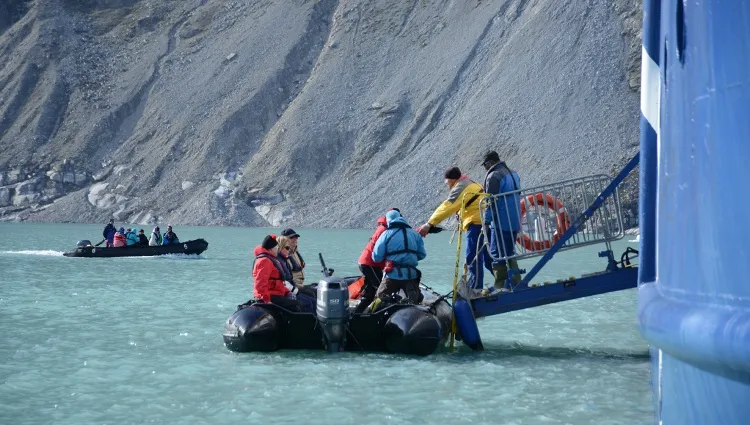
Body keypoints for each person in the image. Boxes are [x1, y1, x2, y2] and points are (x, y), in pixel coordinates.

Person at [417, 167, 493, 290]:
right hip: (487, 223)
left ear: (453, 180)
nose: (447, 186)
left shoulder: (460, 186)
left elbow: (447, 206)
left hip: (475, 224)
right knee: (489, 256)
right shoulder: (471, 182)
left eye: (448, 182)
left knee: (472, 257)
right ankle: (507, 281)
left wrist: (429, 224)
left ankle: (475, 288)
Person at [369, 210, 427, 310]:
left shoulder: (386, 234)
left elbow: (376, 257)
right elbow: (422, 255)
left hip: (391, 275)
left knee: (378, 300)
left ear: (388, 221)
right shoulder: (414, 234)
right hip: (410, 276)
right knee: (415, 302)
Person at [482, 150, 522, 291]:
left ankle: (500, 286)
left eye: (485, 165)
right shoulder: (513, 173)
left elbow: (491, 201)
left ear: (490, 162)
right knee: (510, 252)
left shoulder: (494, 176)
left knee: (496, 252)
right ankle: (517, 282)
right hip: (514, 220)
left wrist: (486, 222)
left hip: (501, 221)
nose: (485, 168)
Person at [252, 234, 313, 313]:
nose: (278, 249)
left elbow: (278, 282)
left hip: (277, 293)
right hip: (270, 296)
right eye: (276, 247)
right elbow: (260, 284)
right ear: (271, 248)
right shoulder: (265, 261)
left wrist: (287, 292)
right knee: (297, 305)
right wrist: (266, 300)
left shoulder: (270, 259)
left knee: (300, 302)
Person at [355, 208, 400, 313]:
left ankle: (357, 313)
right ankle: (375, 314)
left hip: (368, 263)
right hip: (370, 264)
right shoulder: (385, 230)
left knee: (371, 291)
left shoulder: (383, 228)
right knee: (382, 290)